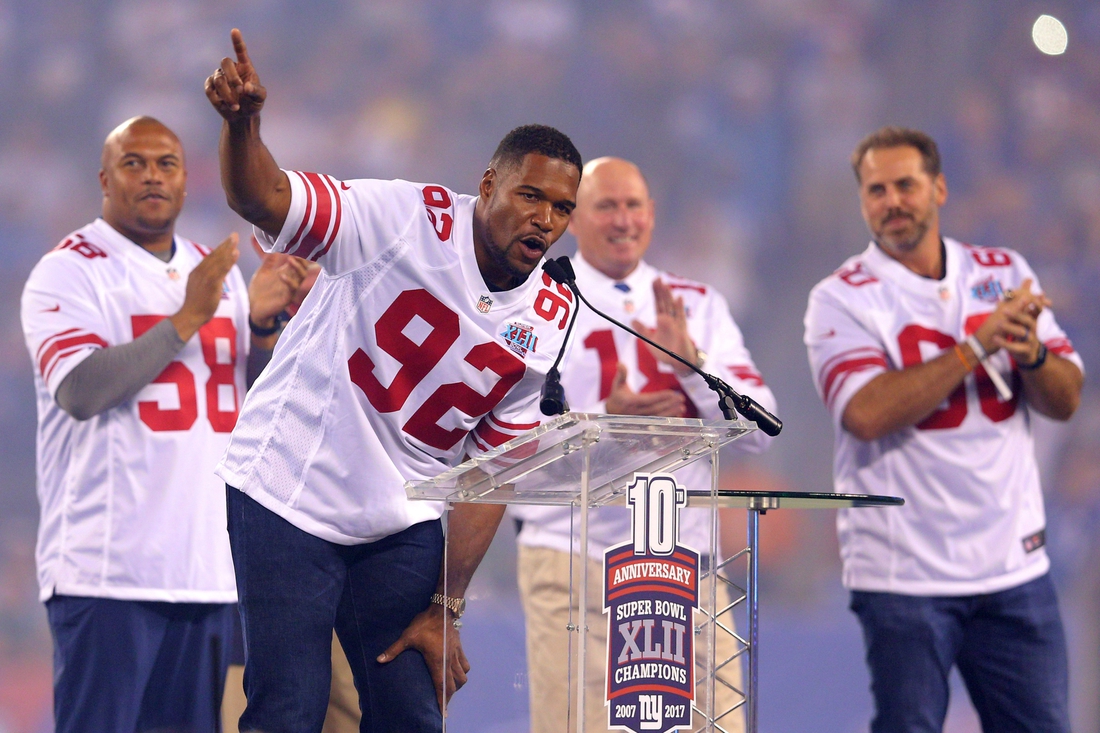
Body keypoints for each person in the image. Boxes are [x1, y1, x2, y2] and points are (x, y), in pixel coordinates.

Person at [204, 29, 583, 732]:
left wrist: (447, 605)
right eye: (531, 196)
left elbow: (494, 472)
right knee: (290, 705)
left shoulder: (552, 313)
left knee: (412, 713)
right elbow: (267, 200)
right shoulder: (399, 217)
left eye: (562, 208)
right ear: (489, 183)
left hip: (398, 515)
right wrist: (242, 127)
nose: (545, 219)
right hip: (289, 490)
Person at [19, 116, 308, 732]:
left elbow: (243, 402)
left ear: (184, 179)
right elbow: (79, 390)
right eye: (135, 162)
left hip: (205, 571)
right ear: (105, 178)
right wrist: (186, 318)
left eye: (166, 163)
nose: (152, 174)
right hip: (107, 572)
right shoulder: (69, 270)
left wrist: (258, 324)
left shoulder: (214, 268)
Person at [804, 126, 1084, 733]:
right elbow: (866, 413)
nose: (892, 201)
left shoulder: (1003, 271)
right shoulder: (839, 298)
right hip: (904, 574)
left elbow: (1066, 399)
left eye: (905, 184)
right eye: (876, 190)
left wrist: (1030, 352)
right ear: (862, 202)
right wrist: (978, 345)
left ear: (939, 189)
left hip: (1012, 567)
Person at [511, 157, 776, 733]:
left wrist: (691, 367)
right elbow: (507, 450)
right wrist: (607, 423)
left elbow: (761, 430)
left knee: (721, 725)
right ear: (573, 219)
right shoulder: (533, 304)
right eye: (606, 205)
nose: (623, 219)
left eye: (634, 205)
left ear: (652, 215)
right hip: (574, 556)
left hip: (689, 560)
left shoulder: (697, 305)